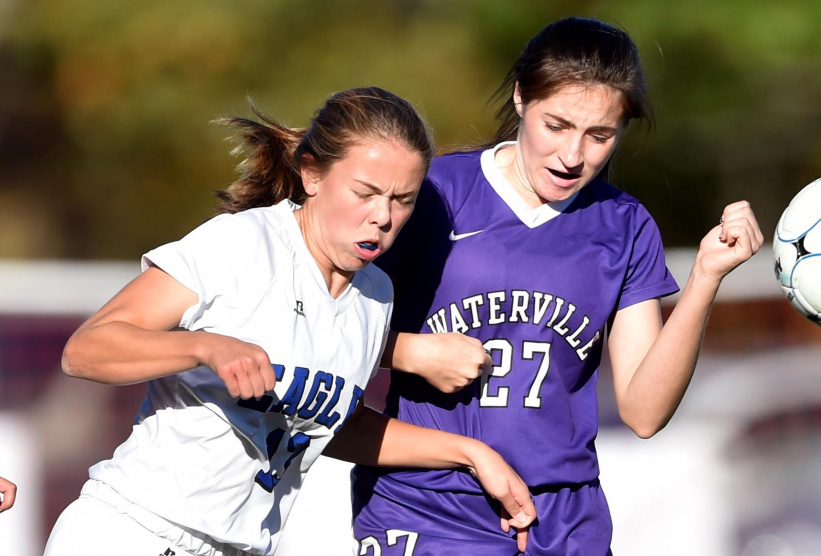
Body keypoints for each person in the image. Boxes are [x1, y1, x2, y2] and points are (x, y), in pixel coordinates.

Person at [42, 87, 534, 556]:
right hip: (134, 532)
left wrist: (471, 454)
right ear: (312, 174)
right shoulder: (243, 243)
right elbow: (86, 350)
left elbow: (330, 424)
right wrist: (206, 347)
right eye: (365, 192)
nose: (382, 217)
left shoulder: (374, 294)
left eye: (402, 200)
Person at [350, 16, 763, 555]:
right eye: (557, 125)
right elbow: (322, 330)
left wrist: (705, 278)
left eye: (600, 136)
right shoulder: (430, 195)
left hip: (565, 520)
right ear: (521, 97)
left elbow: (643, 413)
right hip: (431, 506)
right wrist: (409, 351)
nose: (573, 156)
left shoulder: (625, 226)